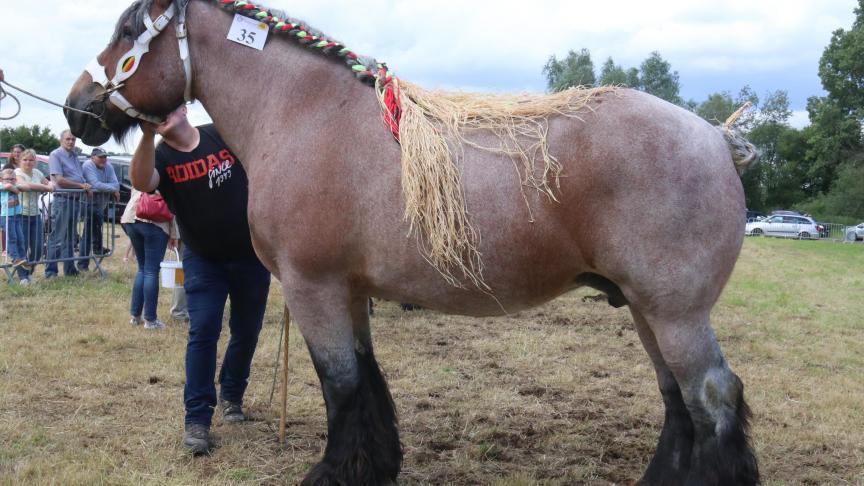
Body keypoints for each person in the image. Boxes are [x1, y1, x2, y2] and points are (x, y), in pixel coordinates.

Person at [130, 105, 270, 455]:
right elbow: (140, 182)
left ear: (183, 106)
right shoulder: (159, 155)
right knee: (203, 329)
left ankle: (233, 395)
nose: (162, 114)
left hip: (251, 254)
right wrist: (146, 134)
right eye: (153, 114)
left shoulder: (221, 132)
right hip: (204, 259)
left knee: (246, 330)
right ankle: (197, 419)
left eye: (167, 107)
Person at [121, 188, 178, 330]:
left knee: (142, 269)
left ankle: (135, 316)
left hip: (131, 218)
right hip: (154, 222)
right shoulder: (165, 171)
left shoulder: (140, 169)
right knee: (151, 271)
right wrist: (174, 234)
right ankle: (150, 320)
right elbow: (172, 204)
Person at [45, 130, 91, 278]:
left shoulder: (75, 156)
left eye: (73, 139)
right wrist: (82, 186)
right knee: (57, 237)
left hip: (75, 200)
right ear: (61, 140)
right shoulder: (55, 155)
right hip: (63, 199)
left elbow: (80, 177)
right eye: (68, 139)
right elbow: (59, 180)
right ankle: (51, 271)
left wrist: (85, 185)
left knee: (70, 238)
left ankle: (70, 269)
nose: (70, 142)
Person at [14, 149, 55, 282]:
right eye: (25, 159)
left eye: (31, 160)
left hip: (36, 215)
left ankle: (29, 272)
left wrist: (50, 184)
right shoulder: (17, 173)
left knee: (38, 249)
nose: (28, 162)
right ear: (20, 161)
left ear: (35, 161)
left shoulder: (37, 172)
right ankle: (23, 277)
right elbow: (24, 185)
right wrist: (46, 187)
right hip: (21, 214)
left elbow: (48, 183)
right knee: (23, 248)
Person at [80, 147, 120, 271]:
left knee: (90, 231)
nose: (104, 159)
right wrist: (112, 189)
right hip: (88, 204)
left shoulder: (109, 166)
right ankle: (86, 261)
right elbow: (95, 184)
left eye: (105, 156)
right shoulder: (88, 165)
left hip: (100, 205)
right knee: (88, 233)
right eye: (100, 157)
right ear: (93, 157)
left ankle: (91, 255)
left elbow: (116, 184)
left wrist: (111, 188)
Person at [1, 168, 28, 272]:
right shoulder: (1, 186)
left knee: (20, 238)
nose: (10, 181)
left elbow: (26, 187)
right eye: (7, 179)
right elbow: (8, 186)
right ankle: (14, 258)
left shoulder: (14, 185)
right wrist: (16, 189)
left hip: (17, 216)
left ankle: (22, 258)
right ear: (1, 179)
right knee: (12, 238)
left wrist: (16, 187)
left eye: (12, 179)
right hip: (6, 216)